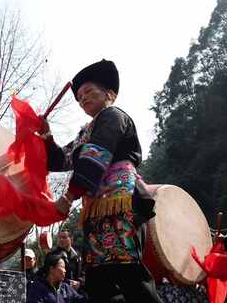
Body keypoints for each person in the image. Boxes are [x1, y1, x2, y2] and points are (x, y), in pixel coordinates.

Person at [39, 59, 161, 303]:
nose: (82, 98)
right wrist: (46, 135)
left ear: (110, 94)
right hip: (96, 211)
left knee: (129, 275)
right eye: (79, 96)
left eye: (88, 92)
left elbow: (96, 157)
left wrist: (68, 196)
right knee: (98, 280)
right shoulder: (86, 131)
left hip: (121, 206)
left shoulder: (113, 116)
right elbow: (60, 161)